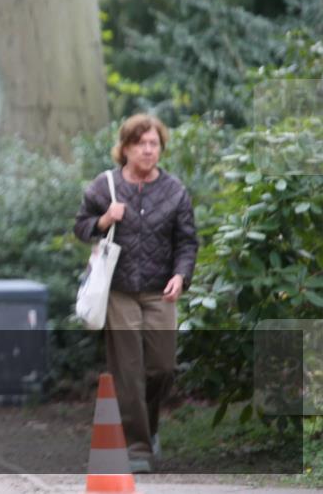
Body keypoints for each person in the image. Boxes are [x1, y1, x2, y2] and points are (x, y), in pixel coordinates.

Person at [74, 113, 197, 474]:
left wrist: (181, 274)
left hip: (161, 291)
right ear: (125, 148)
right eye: (141, 144)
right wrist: (104, 220)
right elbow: (81, 228)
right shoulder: (104, 186)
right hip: (119, 290)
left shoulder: (174, 191)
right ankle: (138, 447)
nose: (148, 150)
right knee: (127, 369)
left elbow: (187, 241)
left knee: (162, 367)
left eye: (154, 144)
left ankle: (150, 426)